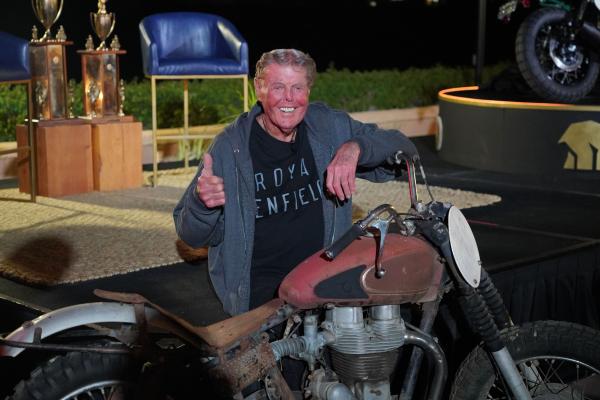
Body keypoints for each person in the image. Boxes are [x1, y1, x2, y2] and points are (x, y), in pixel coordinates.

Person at [173, 48, 418, 316]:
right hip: (263, 298)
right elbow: (191, 235)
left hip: (328, 284)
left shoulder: (328, 127)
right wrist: (202, 204)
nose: (289, 98)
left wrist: (355, 147)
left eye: (297, 87)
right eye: (278, 87)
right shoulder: (229, 148)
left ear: (309, 91)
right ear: (259, 89)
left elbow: (405, 151)